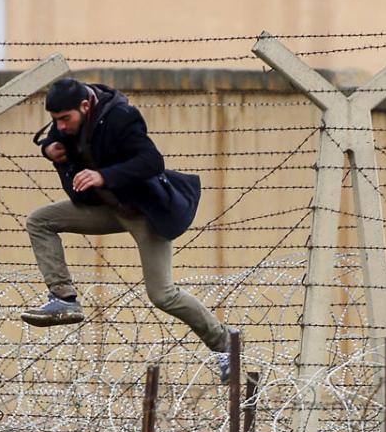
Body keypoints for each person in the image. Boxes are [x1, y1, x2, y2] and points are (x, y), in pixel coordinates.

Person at [21, 78, 235, 381]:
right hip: (107, 209)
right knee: (40, 220)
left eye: (65, 119)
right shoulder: (68, 121)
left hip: (143, 211)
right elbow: (57, 141)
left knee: (163, 295)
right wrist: (48, 150)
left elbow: (151, 161)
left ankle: (225, 344)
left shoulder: (121, 117)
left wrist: (103, 176)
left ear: (85, 106)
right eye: (55, 120)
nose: (61, 126)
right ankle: (64, 298)